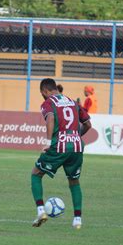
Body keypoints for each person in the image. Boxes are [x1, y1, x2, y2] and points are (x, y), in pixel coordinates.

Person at [31, 78, 92, 229]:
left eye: (42, 94)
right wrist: (76, 136)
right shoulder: (73, 102)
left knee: (36, 174)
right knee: (74, 181)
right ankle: (77, 220)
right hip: (77, 146)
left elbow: (50, 118)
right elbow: (88, 124)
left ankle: (40, 211)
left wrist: (48, 141)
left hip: (59, 145)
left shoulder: (48, 103)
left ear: (45, 91)